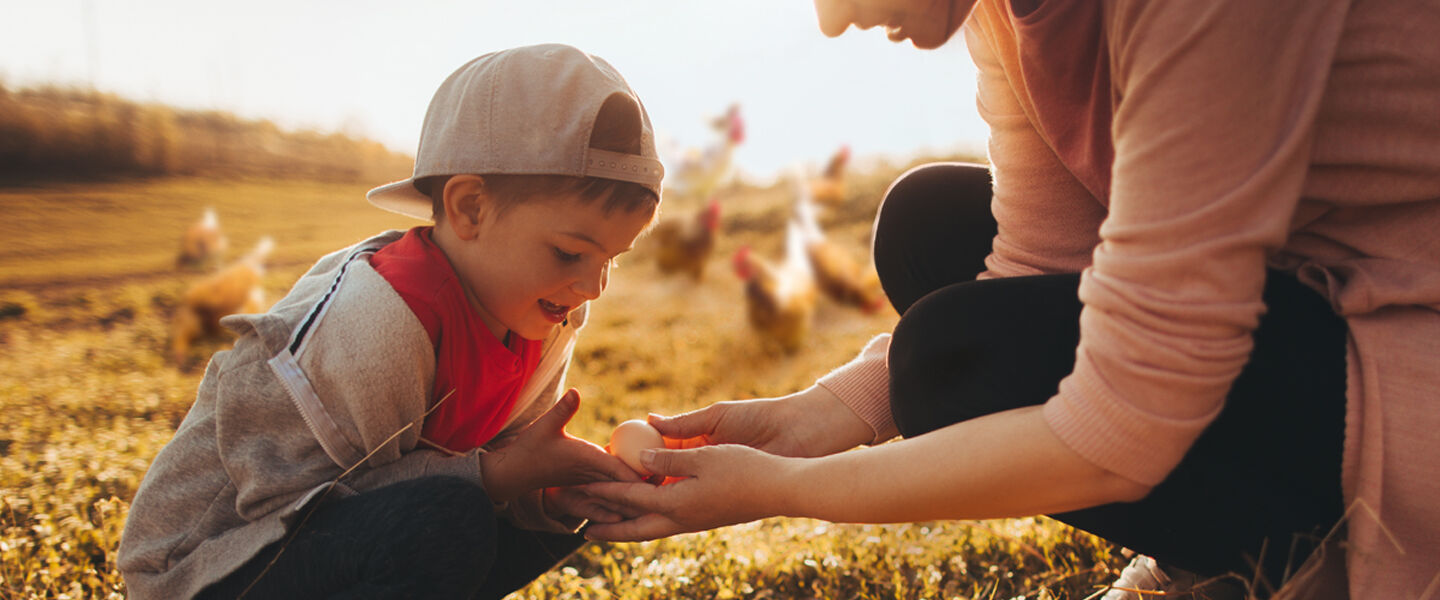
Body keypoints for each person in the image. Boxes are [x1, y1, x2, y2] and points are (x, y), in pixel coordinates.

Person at [582, 1, 1440, 598]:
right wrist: (811, 420)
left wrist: (777, 489)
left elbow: (1125, 421)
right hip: (1292, 291)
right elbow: (1037, 260)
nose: (828, 19)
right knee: (928, 227)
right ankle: (1214, 548)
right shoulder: (1003, 12)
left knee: (943, 365)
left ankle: (1291, 551)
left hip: (1409, 345)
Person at [118, 44, 665, 599]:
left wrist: (545, 492)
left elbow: (496, 463)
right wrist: (498, 477)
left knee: (555, 517)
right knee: (447, 519)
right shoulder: (379, 323)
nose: (593, 286)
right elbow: (288, 504)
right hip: (214, 564)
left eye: (612, 260)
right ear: (470, 208)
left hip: (350, 539)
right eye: (570, 254)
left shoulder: (547, 316)